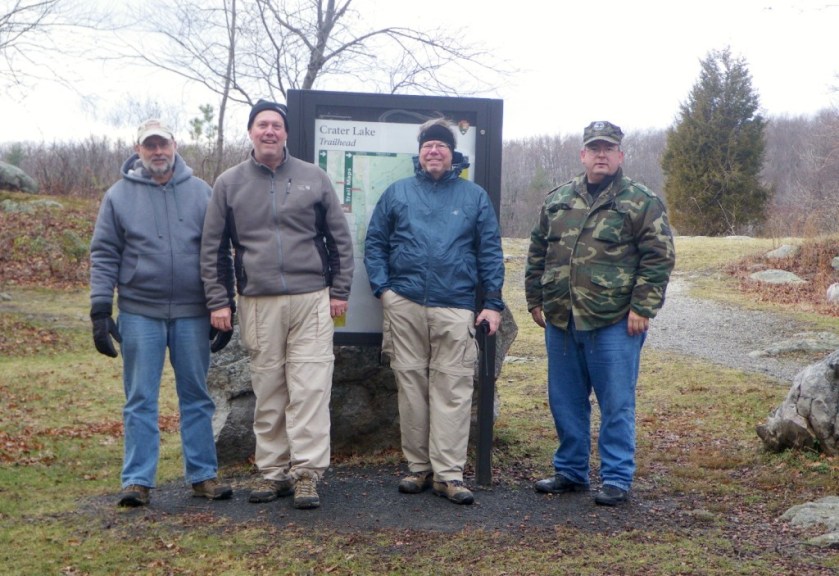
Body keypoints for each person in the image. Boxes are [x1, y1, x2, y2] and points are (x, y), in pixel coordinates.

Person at [200, 99, 354, 510]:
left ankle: (306, 474)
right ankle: (272, 472)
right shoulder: (229, 183)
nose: (270, 131)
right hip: (257, 300)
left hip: (311, 300)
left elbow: (339, 239)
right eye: (262, 125)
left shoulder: (313, 178)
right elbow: (214, 248)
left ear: (286, 133)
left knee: (310, 387)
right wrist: (219, 301)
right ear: (250, 132)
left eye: (276, 125)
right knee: (268, 386)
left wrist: (340, 290)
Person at [524, 121, 675, 506]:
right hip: (562, 318)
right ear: (583, 155)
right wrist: (534, 299)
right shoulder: (557, 200)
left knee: (616, 401)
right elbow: (538, 252)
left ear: (620, 155)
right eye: (595, 149)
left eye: (609, 149)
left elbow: (658, 257)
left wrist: (644, 306)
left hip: (613, 321)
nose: (601, 155)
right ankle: (571, 472)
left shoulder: (640, 201)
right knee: (565, 400)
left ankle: (616, 477)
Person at [89, 119, 233, 507]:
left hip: (192, 312)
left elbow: (218, 252)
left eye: (162, 144)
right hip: (140, 312)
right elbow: (104, 254)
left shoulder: (202, 192)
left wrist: (225, 301)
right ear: (138, 150)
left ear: (175, 145)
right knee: (140, 398)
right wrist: (101, 309)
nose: (157, 152)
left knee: (197, 396)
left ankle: (203, 475)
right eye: (149, 145)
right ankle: (137, 481)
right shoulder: (118, 196)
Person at [364, 118, 505, 506]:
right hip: (405, 303)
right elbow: (375, 242)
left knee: (453, 389)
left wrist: (492, 303)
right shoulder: (397, 194)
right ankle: (418, 467)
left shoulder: (473, 197)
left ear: (452, 153)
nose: (434, 151)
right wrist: (384, 290)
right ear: (420, 151)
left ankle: (448, 474)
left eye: (441, 145)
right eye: (428, 145)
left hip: (456, 305)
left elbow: (490, 251)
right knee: (411, 388)